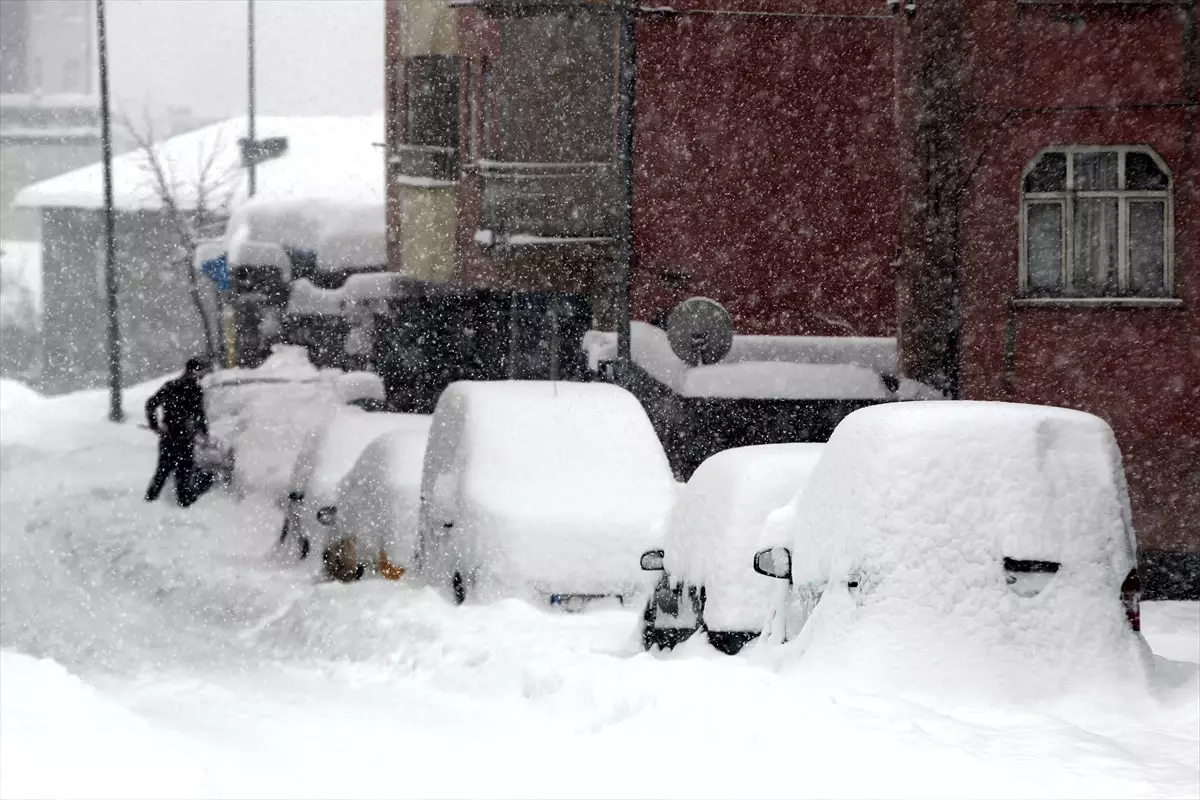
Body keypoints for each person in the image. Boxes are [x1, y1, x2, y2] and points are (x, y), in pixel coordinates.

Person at [144, 357, 212, 507]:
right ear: (194, 371)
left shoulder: (171, 386)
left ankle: (150, 501)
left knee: (163, 472)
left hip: (170, 437)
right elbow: (199, 415)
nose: (200, 376)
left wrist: (154, 425)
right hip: (183, 438)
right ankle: (183, 503)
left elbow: (151, 404)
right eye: (199, 372)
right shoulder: (194, 390)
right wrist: (204, 433)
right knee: (182, 473)